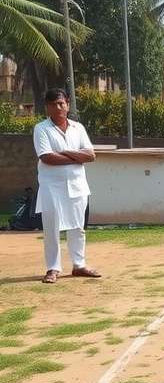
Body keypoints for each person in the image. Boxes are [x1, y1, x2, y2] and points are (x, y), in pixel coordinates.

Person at [33, 88, 101, 284]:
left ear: (68, 104)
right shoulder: (41, 129)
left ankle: (79, 265)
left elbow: (90, 155)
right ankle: (53, 268)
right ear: (47, 107)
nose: (59, 107)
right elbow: (47, 157)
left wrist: (64, 152)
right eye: (54, 104)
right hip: (52, 187)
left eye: (62, 103)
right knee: (52, 228)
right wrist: (75, 156)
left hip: (77, 185)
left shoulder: (78, 128)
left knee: (78, 227)